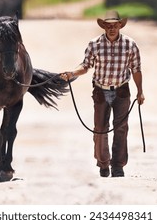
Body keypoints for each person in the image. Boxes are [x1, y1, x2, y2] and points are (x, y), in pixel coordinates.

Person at [61, 10, 145, 177]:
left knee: (121, 128)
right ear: (104, 27)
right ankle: (103, 163)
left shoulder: (130, 44)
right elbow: (85, 66)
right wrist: (72, 73)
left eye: (115, 25)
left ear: (120, 26)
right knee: (100, 129)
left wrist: (140, 91)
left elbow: (136, 69)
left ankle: (118, 166)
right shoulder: (95, 44)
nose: (112, 29)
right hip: (100, 90)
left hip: (122, 90)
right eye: (108, 26)